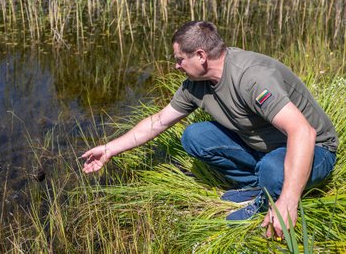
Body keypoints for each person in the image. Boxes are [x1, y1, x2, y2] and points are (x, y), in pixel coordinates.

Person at [81, 21, 338, 239]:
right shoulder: (196, 84)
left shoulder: (251, 77)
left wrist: (288, 202)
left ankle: (270, 197)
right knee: (195, 136)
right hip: (265, 146)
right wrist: (108, 149)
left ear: (201, 56)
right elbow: (158, 121)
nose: (177, 66)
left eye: (180, 59)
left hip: (313, 150)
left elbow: (303, 132)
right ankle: (259, 185)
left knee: (273, 169)